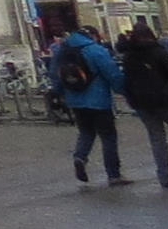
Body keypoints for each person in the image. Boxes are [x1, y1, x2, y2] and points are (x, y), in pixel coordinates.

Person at [51, 23, 130, 186]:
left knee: (86, 132)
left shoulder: (62, 51)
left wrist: (60, 93)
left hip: (75, 101)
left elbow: (54, 74)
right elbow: (112, 73)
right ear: (92, 36)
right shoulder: (96, 50)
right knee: (108, 137)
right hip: (99, 101)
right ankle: (114, 174)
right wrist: (124, 91)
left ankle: (80, 157)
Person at [118, 23, 168, 190]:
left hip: (142, 103)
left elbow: (126, 81)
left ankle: (164, 175)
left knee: (157, 139)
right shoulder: (159, 52)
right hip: (163, 100)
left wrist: (131, 99)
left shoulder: (128, 57)